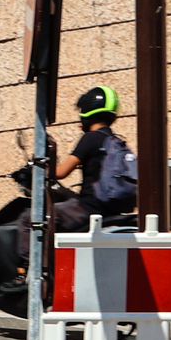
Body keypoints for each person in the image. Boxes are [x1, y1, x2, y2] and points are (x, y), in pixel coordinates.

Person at [51, 84, 135, 231]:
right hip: (109, 210)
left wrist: (40, 167)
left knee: (31, 218)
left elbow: (61, 172)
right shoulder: (115, 141)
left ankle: (33, 255)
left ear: (87, 111)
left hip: (88, 208)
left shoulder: (91, 138)